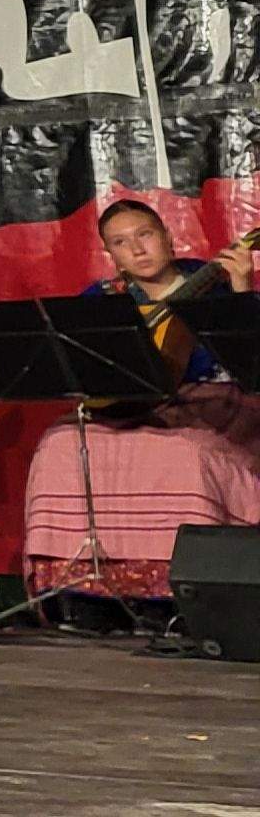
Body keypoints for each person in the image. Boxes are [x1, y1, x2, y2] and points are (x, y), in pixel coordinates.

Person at [18, 195, 260, 602]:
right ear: (111, 254)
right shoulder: (102, 298)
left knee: (186, 454)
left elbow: (250, 361)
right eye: (120, 242)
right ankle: (78, 588)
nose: (137, 248)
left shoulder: (213, 280)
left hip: (211, 402)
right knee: (57, 445)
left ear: (167, 237)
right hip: (126, 407)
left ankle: (192, 585)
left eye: (145, 234)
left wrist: (240, 290)